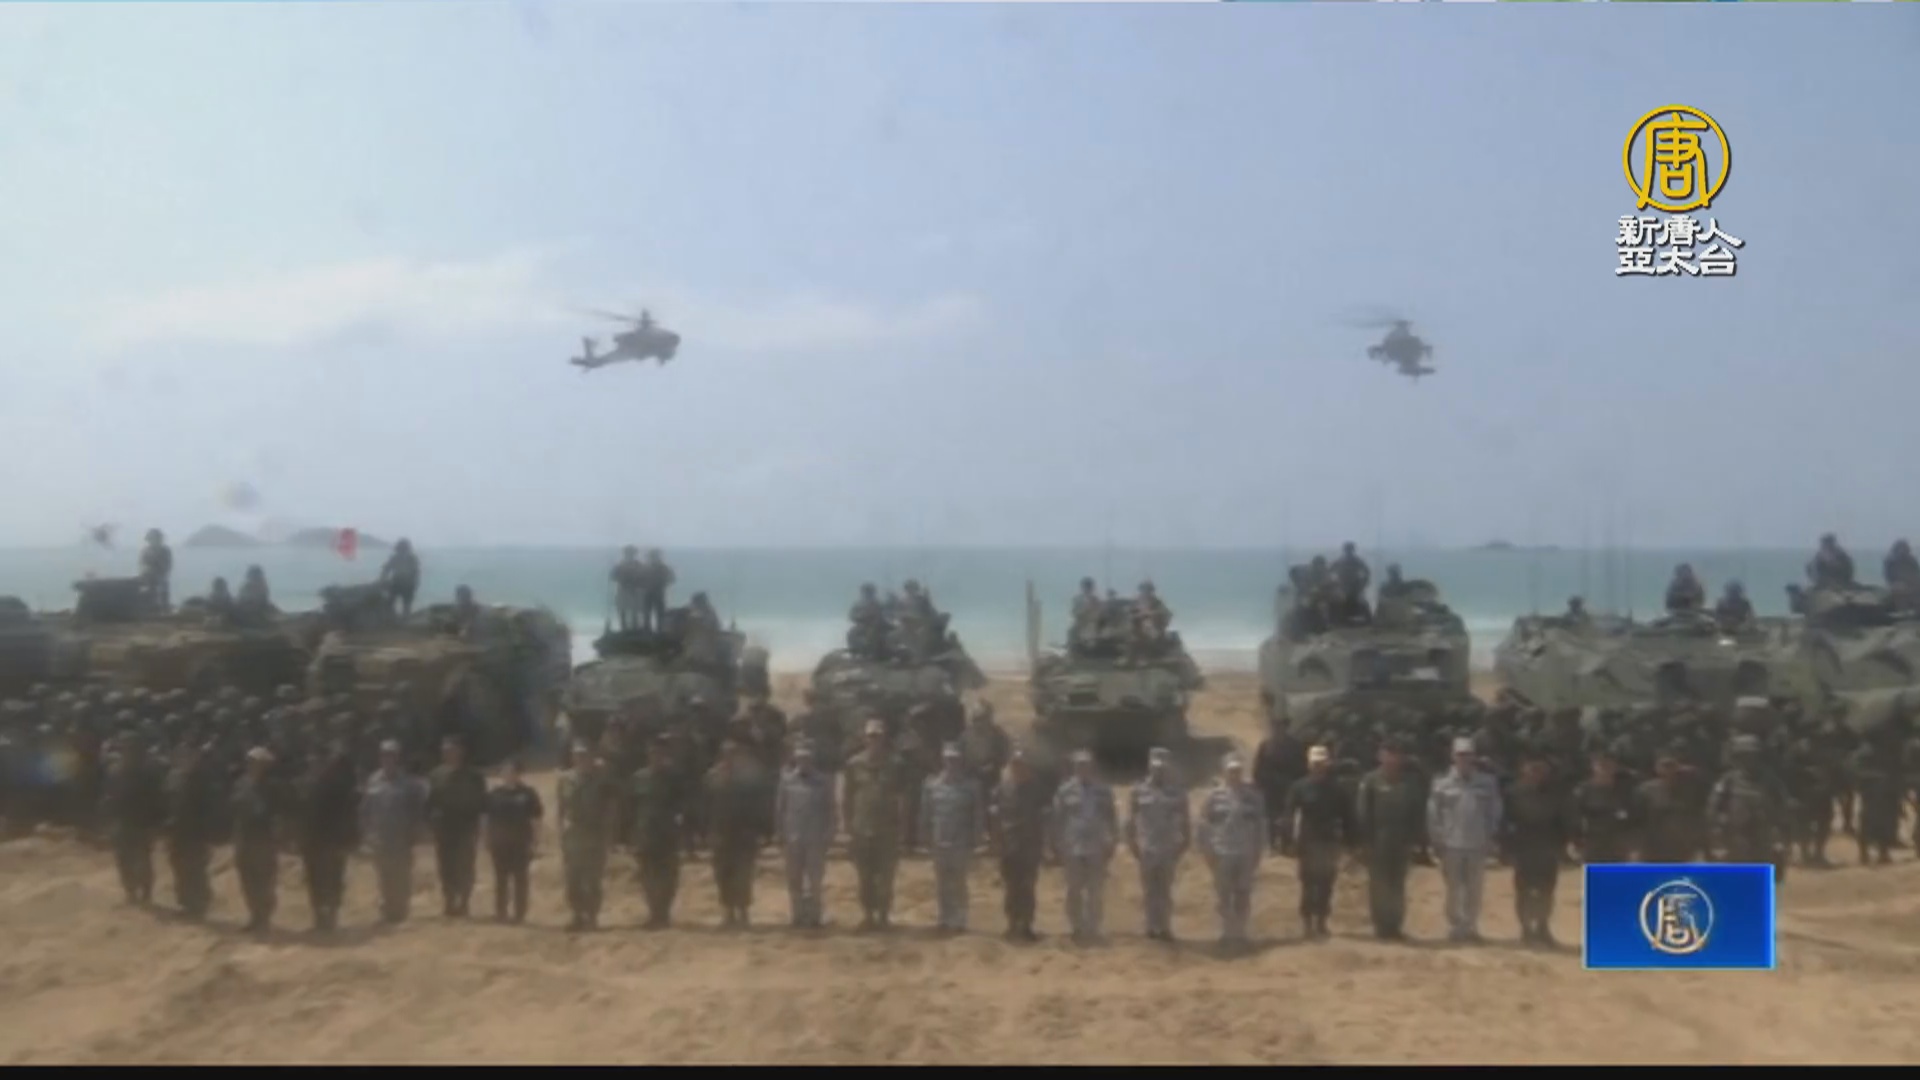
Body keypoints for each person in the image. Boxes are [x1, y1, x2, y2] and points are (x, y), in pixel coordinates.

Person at [1427, 736, 1502, 944]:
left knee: (1475, 889)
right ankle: (1455, 925)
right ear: (1453, 756)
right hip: (1451, 844)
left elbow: (1494, 811)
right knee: (1453, 889)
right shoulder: (1441, 784)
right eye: (1460, 754)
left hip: (1478, 843)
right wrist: (1437, 839)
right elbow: (1433, 814)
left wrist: (1492, 836)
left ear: (1474, 756)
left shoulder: (1487, 783)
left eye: (1468, 754)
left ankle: (1470, 926)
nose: (1464, 758)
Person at [1283, 744, 1355, 940]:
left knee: (1326, 883)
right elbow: (1289, 815)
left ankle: (1321, 922)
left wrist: (1350, 842)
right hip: (1307, 842)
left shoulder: (1337, 790)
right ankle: (1307, 922)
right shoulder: (1299, 787)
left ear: (1327, 765)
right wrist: (1288, 840)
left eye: (1322, 764)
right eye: (1315, 764)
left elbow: (1348, 817)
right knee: (1308, 883)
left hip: (1329, 842)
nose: (1319, 767)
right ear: (1309, 765)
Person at [1355, 737, 1423, 940]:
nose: (1392, 759)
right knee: (1379, 884)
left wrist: (1415, 841)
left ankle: (1395, 925)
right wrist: (1365, 842)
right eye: (1388, 754)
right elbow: (1363, 813)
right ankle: (1381, 926)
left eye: (1396, 755)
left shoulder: (1409, 782)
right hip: (1378, 840)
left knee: (1397, 884)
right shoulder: (1371, 781)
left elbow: (1416, 813)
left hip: (1401, 841)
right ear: (1380, 756)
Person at [841, 718, 905, 931]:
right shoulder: (854, 764)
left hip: (888, 829)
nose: (874, 740)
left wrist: (903, 828)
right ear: (864, 738)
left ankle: (884, 916)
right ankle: (868, 916)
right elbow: (847, 797)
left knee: (886, 877)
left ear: (884, 738)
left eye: (878, 736)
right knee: (865, 877)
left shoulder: (895, 764)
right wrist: (848, 826)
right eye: (871, 736)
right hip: (862, 828)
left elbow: (903, 798)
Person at [1504, 751, 1574, 947]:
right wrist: (1506, 848)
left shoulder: (1556, 793)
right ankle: (1526, 928)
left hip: (1548, 848)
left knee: (1546, 890)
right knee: (1523, 891)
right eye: (1532, 768)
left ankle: (1543, 927)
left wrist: (1564, 845)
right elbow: (1505, 822)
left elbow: (1565, 821)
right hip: (1523, 848)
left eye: (1541, 768)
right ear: (1523, 769)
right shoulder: (1513, 793)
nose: (1536, 772)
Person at [1199, 753, 1266, 950]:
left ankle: (1240, 932)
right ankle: (1227, 931)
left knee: (1243, 893)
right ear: (1224, 772)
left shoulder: (1253, 797)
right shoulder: (1213, 797)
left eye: (1238, 770)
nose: (1235, 774)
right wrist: (1207, 850)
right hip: (1222, 851)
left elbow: (1261, 826)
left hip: (1245, 851)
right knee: (1224, 895)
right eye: (1231, 771)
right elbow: (1204, 826)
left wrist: (1259, 850)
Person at [1051, 750, 1118, 944]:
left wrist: (1112, 841)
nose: (1083, 769)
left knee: (1095, 890)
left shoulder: (1103, 791)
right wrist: (1056, 844)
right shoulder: (1065, 791)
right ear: (1074, 768)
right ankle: (1077, 926)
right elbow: (1057, 819)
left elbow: (1111, 818)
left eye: (1086, 765)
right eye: (1079, 766)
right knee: (1074, 889)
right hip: (1072, 846)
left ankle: (1093, 927)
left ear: (1092, 767)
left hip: (1097, 846)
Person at [1125, 747, 1190, 942]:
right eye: (1156, 768)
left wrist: (1183, 844)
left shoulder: (1178, 792)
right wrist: (1132, 843)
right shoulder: (1138, 791)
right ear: (1150, 767)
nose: (1159, 771)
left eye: (1162, 768)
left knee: (1165, 891)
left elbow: (1186, 822)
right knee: (1149, 891)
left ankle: (1165, 927)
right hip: (1147, 847)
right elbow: (1130, 820)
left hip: (1168, 848)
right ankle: (1151, 927)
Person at [921, 743, 988, 933]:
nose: (952, 763)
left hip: (961, 841)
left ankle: (959, 919)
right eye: (949, 759)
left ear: (961, 761)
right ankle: (944, 917)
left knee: (958, 881)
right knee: (942, 882)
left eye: (955, 759)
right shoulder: (932, 785)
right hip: (939, 839)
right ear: (943, 760)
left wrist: (978, 839)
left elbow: (978, 814)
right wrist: (924, 836)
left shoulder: (971, 786)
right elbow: (926, 813)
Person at [361, 740, 428, 925]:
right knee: (384, 876)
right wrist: (366, 833)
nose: (388, 759)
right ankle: (387, 911)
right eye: (384, 755)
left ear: (398, 758)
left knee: (401, 876)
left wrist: (416, 833)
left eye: (391, 755)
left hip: (401, 838)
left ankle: (401, 911)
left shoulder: (409, 783)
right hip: (380, 838)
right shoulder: (373, 780)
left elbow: (418, 811)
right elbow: (365, 809)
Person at [557, 742, 619, 932]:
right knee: (572, 879)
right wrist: (561, 832)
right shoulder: (565, 779)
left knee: (592, 879)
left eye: (584, 756)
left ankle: (592, 916)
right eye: (577, 756)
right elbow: (561, 808)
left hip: (595, 834)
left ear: (592, 758)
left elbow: (611, 808)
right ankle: (577, 915)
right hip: (573, 834)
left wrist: (609, 835)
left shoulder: (602, 780)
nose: (581, 760)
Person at [775, 741, 836, 929]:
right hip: (793, 837)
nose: (803, 762)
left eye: (807, 758)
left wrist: (829, 833)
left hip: (815, 838)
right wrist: (780, 833)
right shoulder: (787, 781)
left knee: (814, 880)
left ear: (812, 759)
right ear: (795, 759)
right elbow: (780, 809)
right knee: (794, 879)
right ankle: (797, 915)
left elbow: (831, 810)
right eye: (800, 758)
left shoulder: (823, 782)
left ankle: (814, 917)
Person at [992, 748, 1051, 942]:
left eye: (1021, 765)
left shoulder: (1037, 788)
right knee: (1011, 887)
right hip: (1008, 844)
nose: (1018, 769)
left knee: (1027, 886)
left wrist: (1046, 845)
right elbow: (995, 814)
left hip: (1030, 844)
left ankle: (1026, 924)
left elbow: (1046, 816)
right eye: (1015, 765)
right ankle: (1012, 923)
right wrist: (996, 841)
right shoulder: (1003, 788)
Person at [426, 736, 487, 918]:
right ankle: (449, 901)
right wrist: (429, 824)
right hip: (444, 828)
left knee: (465, 865)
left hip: (466, 828)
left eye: (451, 750)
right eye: (444, 751)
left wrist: (481, 827)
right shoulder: (435, 775)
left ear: (460, 752)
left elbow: (482, 803)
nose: (447, 754)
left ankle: (464, 902)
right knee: (446, 866)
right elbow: (430, 802)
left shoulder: (474, 776)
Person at [628, 732, 684, 928]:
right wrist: (631, 835)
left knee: (668, 875)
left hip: (667, 833)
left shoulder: (675, 778)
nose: (656, 757)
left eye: (660, 753)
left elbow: (684, 805)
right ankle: (653, 912)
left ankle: (664, 912)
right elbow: (631, 807)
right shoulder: (639, 778)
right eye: (653, 753)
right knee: (647, 876)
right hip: (645, 832)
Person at [231, 746, 289, 935]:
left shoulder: (273, 787)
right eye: (250, 762)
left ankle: (264, 918)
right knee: (247, 880)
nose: (252, 766)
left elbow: (279, 814)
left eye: (256, 763)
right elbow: (235, 808)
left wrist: (278, 836)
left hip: (264, 840)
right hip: (244, 838)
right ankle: (254, 916)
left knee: (264, 881)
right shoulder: (241, 784)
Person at [483, 758, 543, 924]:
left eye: (512, 771)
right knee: (500, 879)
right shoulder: (494, 794)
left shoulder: (528, 794)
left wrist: (535, 841)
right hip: (499, 843)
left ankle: (519, 913)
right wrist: (486, 838)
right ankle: (501, 912)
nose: (508, 775)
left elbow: (536, 819)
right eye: (505, 771)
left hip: (521, 842)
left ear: (518, 773)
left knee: (520, 879)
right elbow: (486, 818)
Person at [381, 539, 422, 618]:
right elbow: (386, 569)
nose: (402, 551)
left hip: (408, 584)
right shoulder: (395, 558)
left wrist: (416, 583)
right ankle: (393, 617)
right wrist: (383, 579)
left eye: (404, 549)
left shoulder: (412, 558)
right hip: (397, 582)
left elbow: (416, 572)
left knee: (406, 604)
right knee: (391, 602)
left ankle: (403, 618)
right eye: (400, 549)